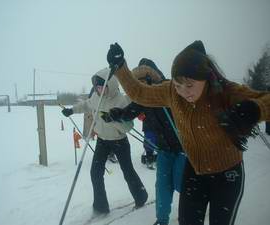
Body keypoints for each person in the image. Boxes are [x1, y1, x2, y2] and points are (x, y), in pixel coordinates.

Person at [106, 41, 270, 225]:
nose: (183, 91)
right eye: (177, 84)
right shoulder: (171, 92)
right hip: (195, 170)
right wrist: (120, 67)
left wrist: (256, 109)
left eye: (189, 85)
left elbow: (266, 99)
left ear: (206, 78)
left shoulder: (227, 92)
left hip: (227, 175)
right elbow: (140, 93)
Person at [102, 58, 186, 225]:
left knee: (181, 184)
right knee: (162, 187)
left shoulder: (170, 90)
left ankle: (191, 214)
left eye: (142, 83)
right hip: (164, 150)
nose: (139, 89)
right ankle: (161, 221)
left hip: (184, 149)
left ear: (152, 78)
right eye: (136, 84)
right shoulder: (143, 99)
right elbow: (129, 112)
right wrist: (115, 114)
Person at [61, 67, 148, 214]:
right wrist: (71, 110)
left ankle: (141, 196)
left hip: (119, 141)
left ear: (110, 85)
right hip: (102, 140)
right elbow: (86, 105)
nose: (98, 90)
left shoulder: (121, 100)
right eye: (96, 87)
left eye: (101, 86)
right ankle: (101, 206)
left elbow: (128, 127)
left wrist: (113, 119)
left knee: (128, 172)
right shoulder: (96, 97)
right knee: (95, 172)